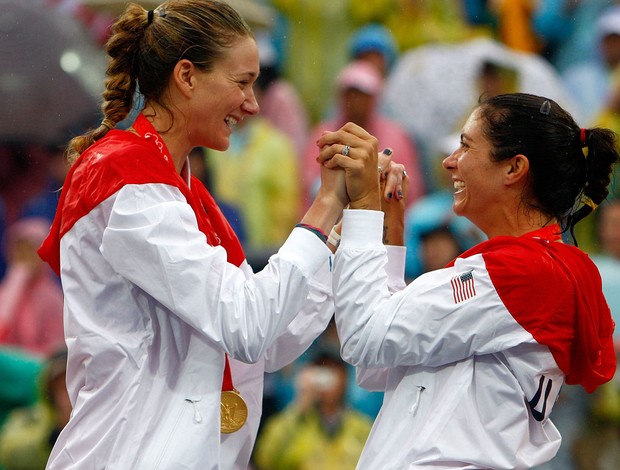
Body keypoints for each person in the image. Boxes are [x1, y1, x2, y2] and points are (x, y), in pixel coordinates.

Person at [35, 2, 405, 469]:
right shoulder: (123, 179)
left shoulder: (185, 194)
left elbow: (269, 341)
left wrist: (342, 224)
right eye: (242, 82)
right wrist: (326, 202)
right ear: (187, 76)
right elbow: (246, 325)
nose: (253, 104)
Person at [318, 93, 618, 469]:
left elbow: (365, 338)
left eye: (465, 145)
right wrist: (389, 231)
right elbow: (380, 363)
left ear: (514, 168)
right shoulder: (529, 267)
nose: (449, 162)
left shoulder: (523, 272)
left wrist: (363, 206)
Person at [303, 59, 424, 209]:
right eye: (350, 94)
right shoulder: (323, 134)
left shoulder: (397, 137)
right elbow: (307, 188)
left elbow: (410, 191)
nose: (356, 101)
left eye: (362, 95)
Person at [253, 351, 372, 470]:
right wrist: (300, 404)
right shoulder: (295, 422)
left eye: (333, 372)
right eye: (322, 373)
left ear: (344, 378)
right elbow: (265, 459)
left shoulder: (362, 428)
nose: (328, 382)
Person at [0, 217, 64, 358]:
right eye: (19, 251)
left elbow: (57, 351)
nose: (24, 258)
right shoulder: (6, 291)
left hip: (38, 371)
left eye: (30, 250)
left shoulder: (52, 297)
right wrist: (15, 282)